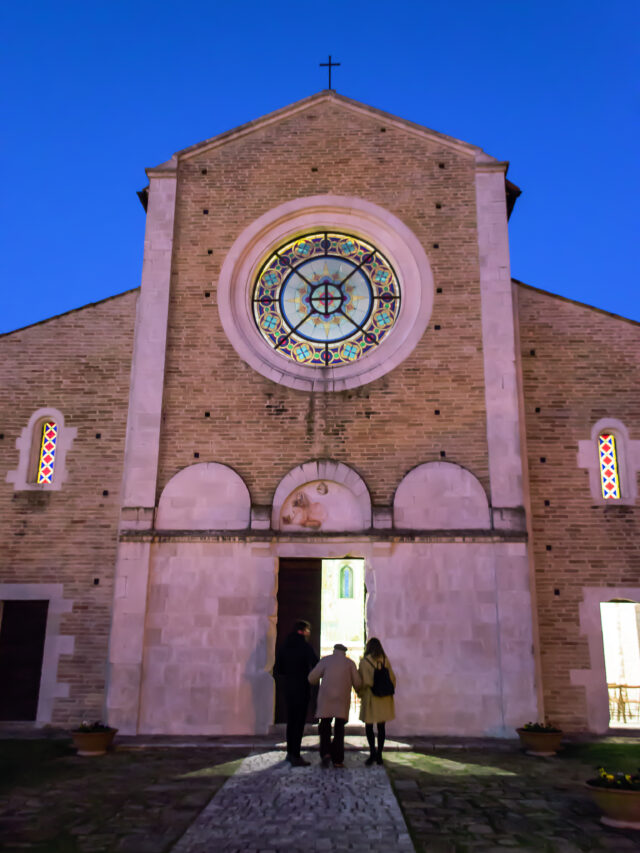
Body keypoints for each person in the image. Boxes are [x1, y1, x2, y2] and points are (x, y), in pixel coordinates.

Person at [273, 619, 319, 766]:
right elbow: (316, 665)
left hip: (289, 688)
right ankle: (296, 755)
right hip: (302, 688)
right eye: (308, 630)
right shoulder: (305, 647)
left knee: (291, 721)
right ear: (304, 631)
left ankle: (290, 752)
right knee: (298, 723)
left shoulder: (285, 646)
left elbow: (278, 669)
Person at [308, 643, 362, 768]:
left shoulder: (325, 660)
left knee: (325, 726)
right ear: (344, 652)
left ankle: (325, 753)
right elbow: (358, 683)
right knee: (339, 730)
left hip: (326, 699)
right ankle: (338, 759)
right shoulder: (350, 663)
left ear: (334, 650)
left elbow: (312, 678)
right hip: (341, 701)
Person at [358, 637, 396, 765]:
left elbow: (363, 682)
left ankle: (372, 753)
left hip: (370, 697)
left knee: (369, 726)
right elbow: (393, 679)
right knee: (381, 727)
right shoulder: (385, 660)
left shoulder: (364, 662)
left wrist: (360, 693)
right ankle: (379, 754)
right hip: (384, 698)